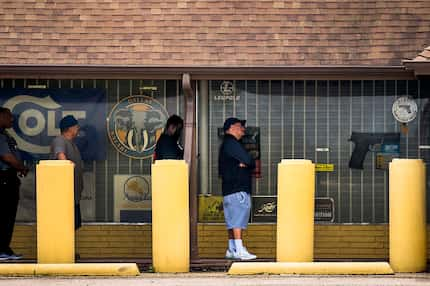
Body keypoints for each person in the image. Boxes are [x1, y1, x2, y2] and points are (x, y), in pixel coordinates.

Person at [219, 117, 257, 260]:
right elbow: (249, 161)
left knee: (232, 220)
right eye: (241, 126)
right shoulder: (232, 143)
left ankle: (232, 248)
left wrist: (244, 163)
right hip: (237, 189)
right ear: (232, 127)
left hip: (229, 190)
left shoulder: (226, 145)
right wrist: (246, 163)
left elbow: (245, 162)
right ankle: (239, 250)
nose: (243, 129)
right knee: (237, 221)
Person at [0, 107, 28, 260]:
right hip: (3, 179)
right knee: (4, 215)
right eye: (8, 116)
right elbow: (7, 157)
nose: (12, 119)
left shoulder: (5, 135)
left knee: (8, 216)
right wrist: (22, 167)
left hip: (9, 178)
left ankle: (5, 249)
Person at [50, 115, 83, 231]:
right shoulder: (60, 140)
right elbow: (60, 155)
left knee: (73, 227)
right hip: (65, 197)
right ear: (70, 128)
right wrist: (67, 164)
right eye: (76, 126)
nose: (78, 129)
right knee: (65, 228)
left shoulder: (72, 143)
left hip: (73, 197)